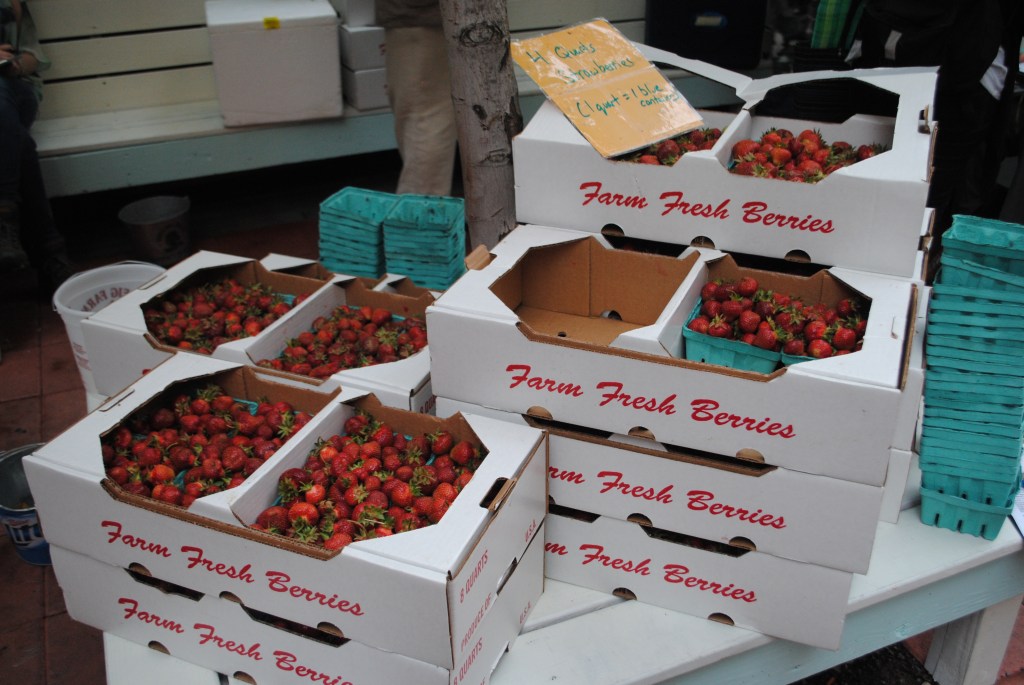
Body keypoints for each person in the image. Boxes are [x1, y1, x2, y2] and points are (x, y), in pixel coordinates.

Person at [0, 0, 74, 292]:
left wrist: (11, 64)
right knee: (20, 143)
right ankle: (50, 255)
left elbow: (33, 56)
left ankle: (5, 221)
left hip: (15, 92)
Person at [375, 0, 458, 197]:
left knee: (425, 118)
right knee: (422, 116)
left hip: (424, 14)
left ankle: (420, 217)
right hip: (421, 15)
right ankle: (421, 212)